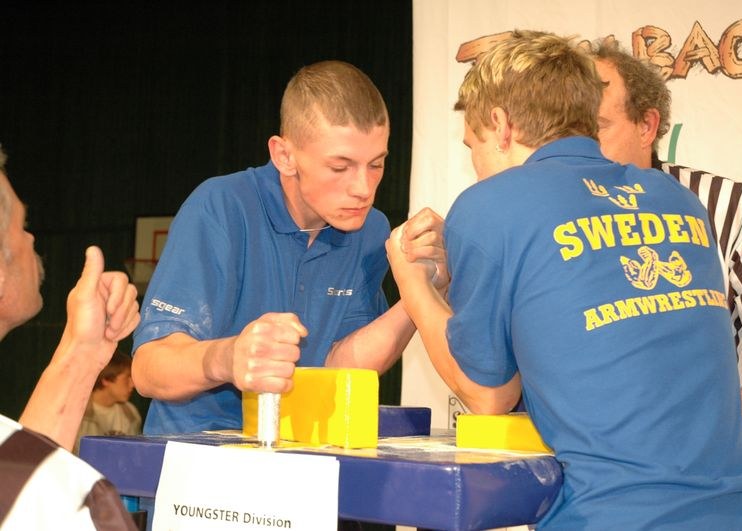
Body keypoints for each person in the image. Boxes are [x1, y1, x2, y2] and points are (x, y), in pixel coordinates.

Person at [387, 32, 742, 529]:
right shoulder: (678, 199)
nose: (475, 166)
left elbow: (489, 397)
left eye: (473, 146)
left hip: (610, 516)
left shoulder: (491, 205)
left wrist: (414, 284)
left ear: (500, 124)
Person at [131, 60, 446, 435]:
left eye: (376, 164)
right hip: (198, 461)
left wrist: (424, 289)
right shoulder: (222, 207)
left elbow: (337, 364)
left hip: (302, 452)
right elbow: (148, 369)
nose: (363, 188)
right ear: (284, 156)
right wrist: (228, 357)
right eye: (340, 167)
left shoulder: (370, 228)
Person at [590, 40, 742, 438]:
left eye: (598, 127)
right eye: (570, 129)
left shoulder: (730, 209)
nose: (581, 145)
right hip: (569, 475)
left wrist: (731, 428)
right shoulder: (539, 213)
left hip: (695, 482)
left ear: (646, 126)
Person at [0, 147, 141, 528]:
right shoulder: (82, 506)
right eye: (23, 227)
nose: (31, 240)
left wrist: (84, 350)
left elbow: (17, 484)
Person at [74, 349, 142, 455]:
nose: (133, 384)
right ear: (106, 379)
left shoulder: (130, 413)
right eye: (127, 378)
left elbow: (134, 455)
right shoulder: (77, 412)